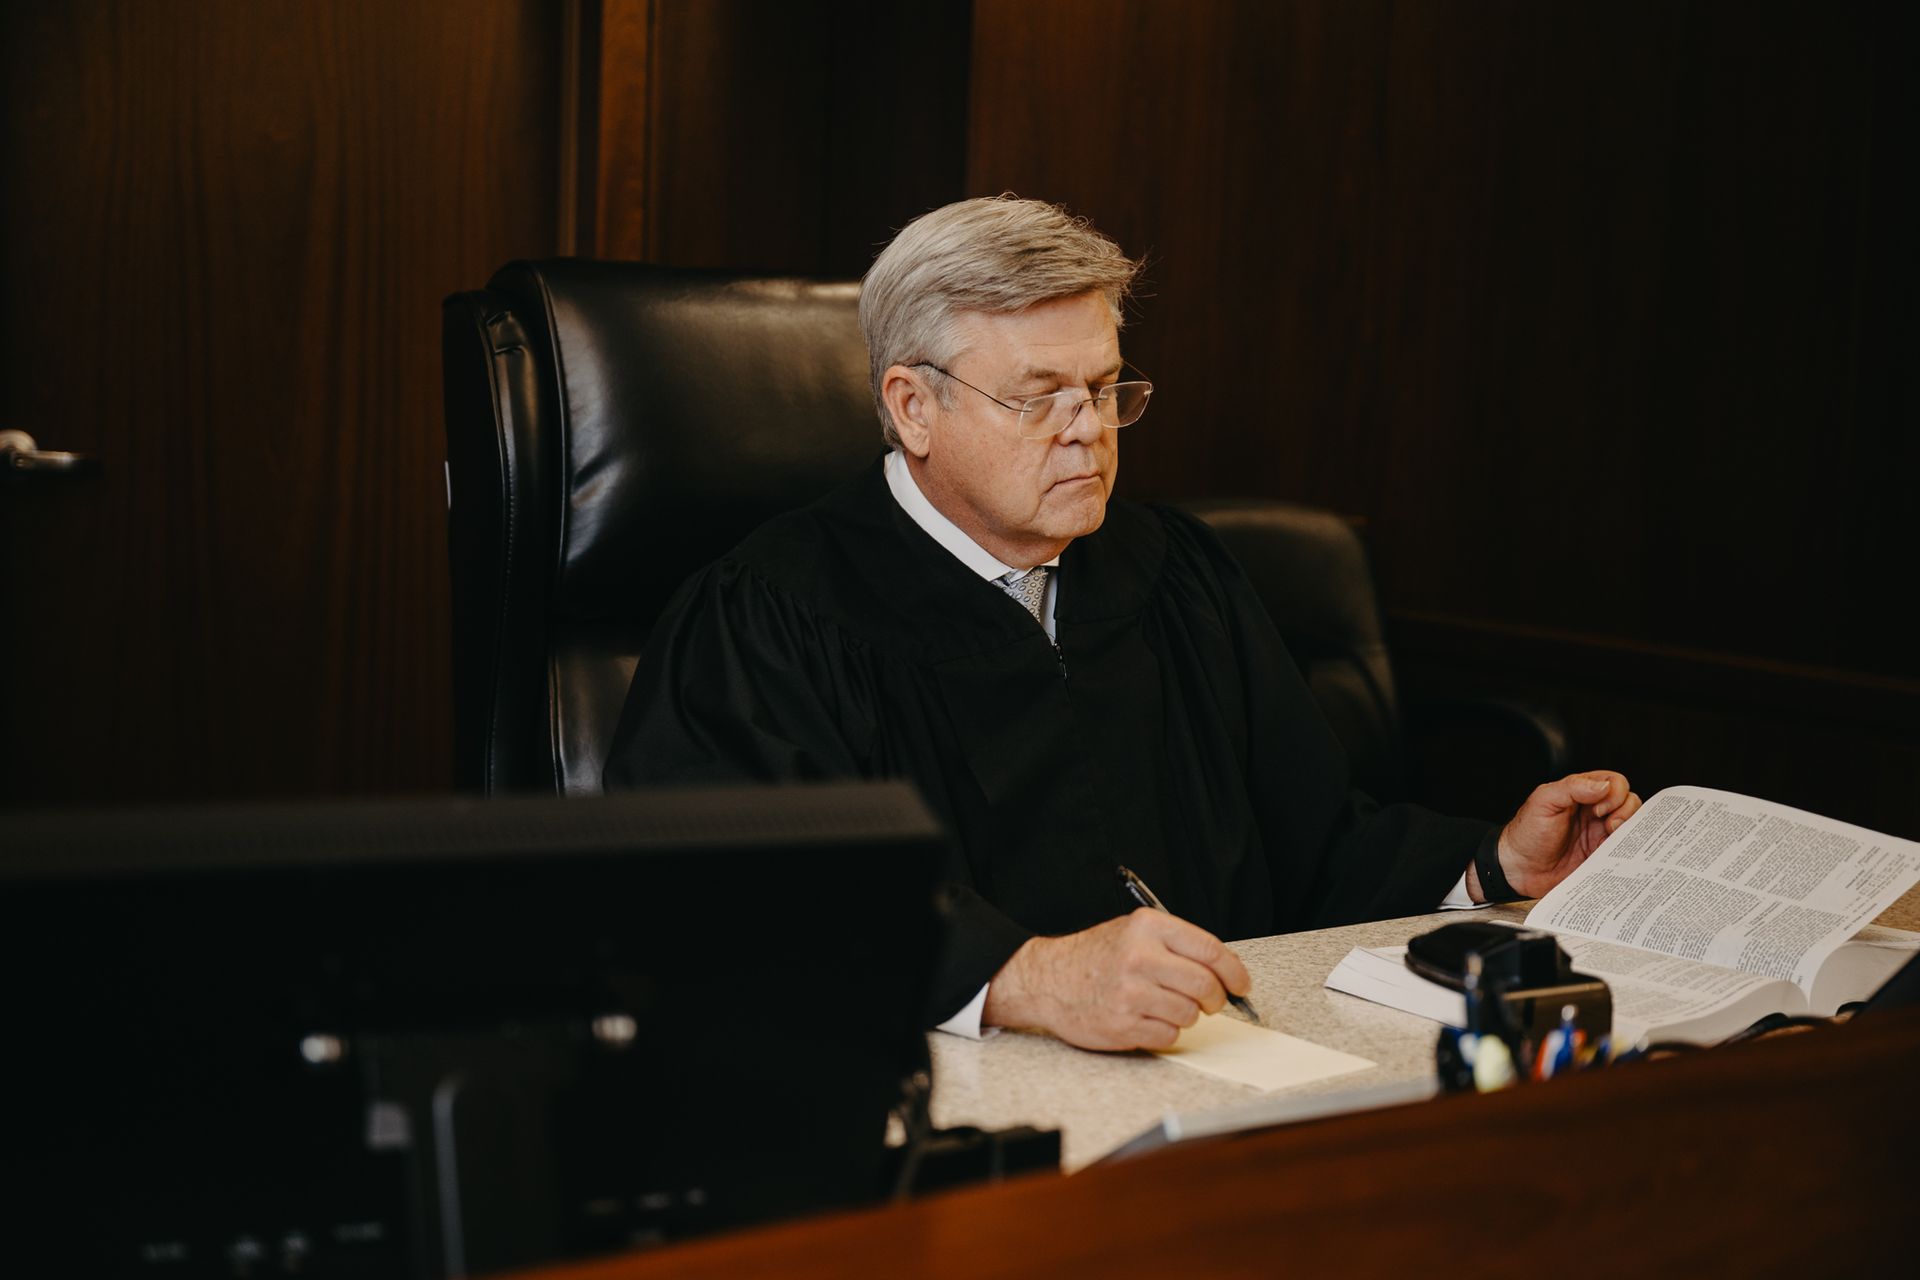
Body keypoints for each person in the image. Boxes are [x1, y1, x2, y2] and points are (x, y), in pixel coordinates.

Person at [603, 195, 1640, 1051]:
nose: (1089, 431)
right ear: (913, 406)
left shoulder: (1173, 572)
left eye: (1104, 387)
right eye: (1040, 396)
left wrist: (1495, 865)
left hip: (1233, 1072)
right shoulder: (769, 615)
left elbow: (1313, 842)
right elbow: (738, 904)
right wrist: (1022, 975)